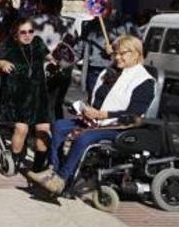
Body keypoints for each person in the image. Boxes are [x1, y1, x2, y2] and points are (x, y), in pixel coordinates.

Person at [28, 35, 155, 194]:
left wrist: (103, 114)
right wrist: (84, 109)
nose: (117, 57)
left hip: (119, 127)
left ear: (136, 53)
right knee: (59, 126)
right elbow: (95, 99)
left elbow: (134, 115)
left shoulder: (144, 81)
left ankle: (61, 179)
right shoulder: (109, 72)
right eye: (115, 53)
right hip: (95, 121)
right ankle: (54, 169)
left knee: (84, 138)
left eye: (123, 53)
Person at [0, 19, 52, 173]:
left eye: (30, 31)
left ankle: (38, 166)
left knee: (43, 128)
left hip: (38, 95)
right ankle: (14, 162)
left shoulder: (37, 43)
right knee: (22, 128)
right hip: (15, 96)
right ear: (16, 34)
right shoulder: (9, 44)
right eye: (23, 32)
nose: (27, 35)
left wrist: (53, 62)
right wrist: (2, 63)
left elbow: (49, 58)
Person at [74, 0, 139, 95]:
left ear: (109, 6)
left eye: (103, 6)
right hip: (94, 71)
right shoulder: (88, 26)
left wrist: (116, 49)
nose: (100, 10)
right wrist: (63, 60)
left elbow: (136, 46)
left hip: (115, 71)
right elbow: (79, 50)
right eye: (96, 7)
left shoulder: (123, 24)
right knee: (95, 103)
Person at [32, 0, 75, 121]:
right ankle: (57, 136)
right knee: (56, 105)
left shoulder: (32, 22)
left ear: (43, 5)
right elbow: (71, 45)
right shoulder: (68, 23)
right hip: (63, 69)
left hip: (40, 70)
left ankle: (41, 136)